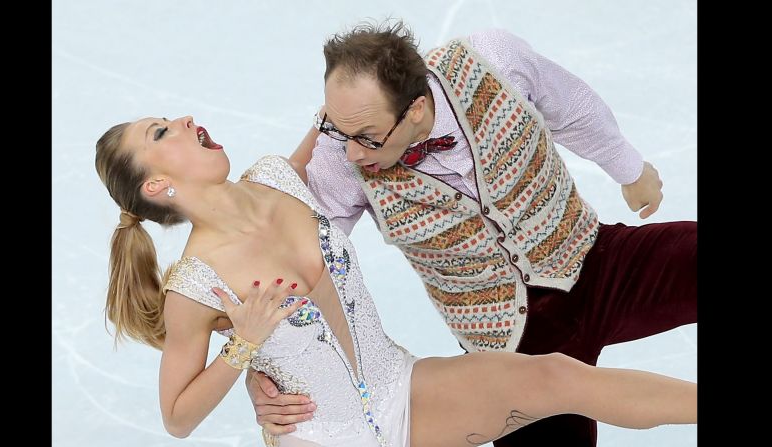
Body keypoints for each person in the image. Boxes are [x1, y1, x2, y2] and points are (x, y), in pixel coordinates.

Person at [95, 114, 696, 447]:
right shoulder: (195, 286)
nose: (185, 120)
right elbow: (176, 418)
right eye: (160, 133)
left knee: (556, 375)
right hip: (323, 438)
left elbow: (341, 118)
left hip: (405, 389)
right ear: (157, 186)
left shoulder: (279, 176)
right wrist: (243, 347)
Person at [247, 20, 697, 447]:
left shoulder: (491, 58)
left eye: (366, 136)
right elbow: (302, 265)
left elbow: (570, 105)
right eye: (338, 131)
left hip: (594, 259)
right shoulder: (339, 157)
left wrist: (630, 168)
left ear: (416, 108)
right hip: (507, 347)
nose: (350, 150)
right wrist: (263, 368)